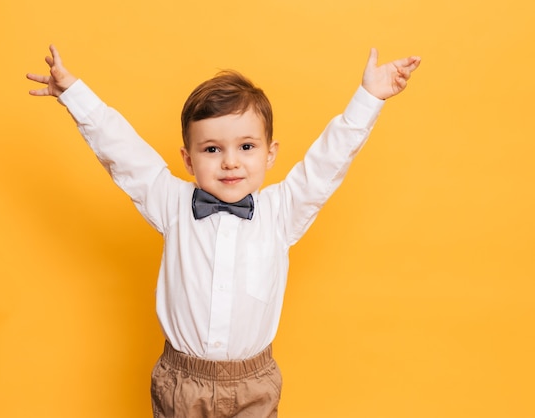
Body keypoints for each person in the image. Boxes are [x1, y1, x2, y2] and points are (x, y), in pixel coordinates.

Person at [26, 45, 420, 417]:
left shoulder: (282, 211)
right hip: (181, 382)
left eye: (246, 147)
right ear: (188, 159)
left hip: (255, 384)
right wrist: (74, 94)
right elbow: (123, 151)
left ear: (270, 154)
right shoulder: (171, 202)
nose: (230, 162)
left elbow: (326, 163)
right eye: (212, 149)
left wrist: (369, 97)